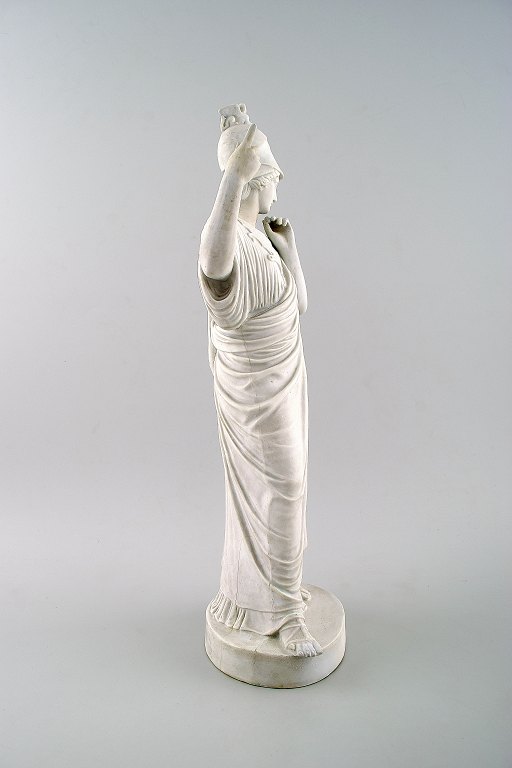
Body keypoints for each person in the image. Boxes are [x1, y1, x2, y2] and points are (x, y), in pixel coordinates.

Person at [198, 104, 321, 657]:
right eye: (271, 174)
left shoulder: (259, 240)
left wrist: (290, 253)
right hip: (255, 394)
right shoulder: (229, 241)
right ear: (251, 180)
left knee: (288, 490)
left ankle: (273, 598)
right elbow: (213, 267)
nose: (280, 181)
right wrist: (233, 174)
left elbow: (298, 308)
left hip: (285, 383)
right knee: (283, 489)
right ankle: (283, 617)